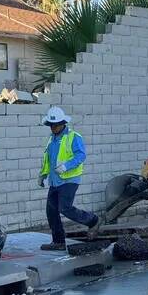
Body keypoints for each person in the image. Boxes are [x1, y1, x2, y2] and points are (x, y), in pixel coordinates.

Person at [38, 106, 100, 251]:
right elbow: (49, 160)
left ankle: (93, 220)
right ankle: (59, 242)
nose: (53, 127)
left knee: (64, 208)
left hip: (70, 179)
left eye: (56, 124)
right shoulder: (51, 139)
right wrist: (42, 175)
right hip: (55, 181)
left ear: (63, 123)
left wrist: (66, 166)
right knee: (51, 211)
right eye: (51, 125)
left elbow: (81, 156)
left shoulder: (73, 137)